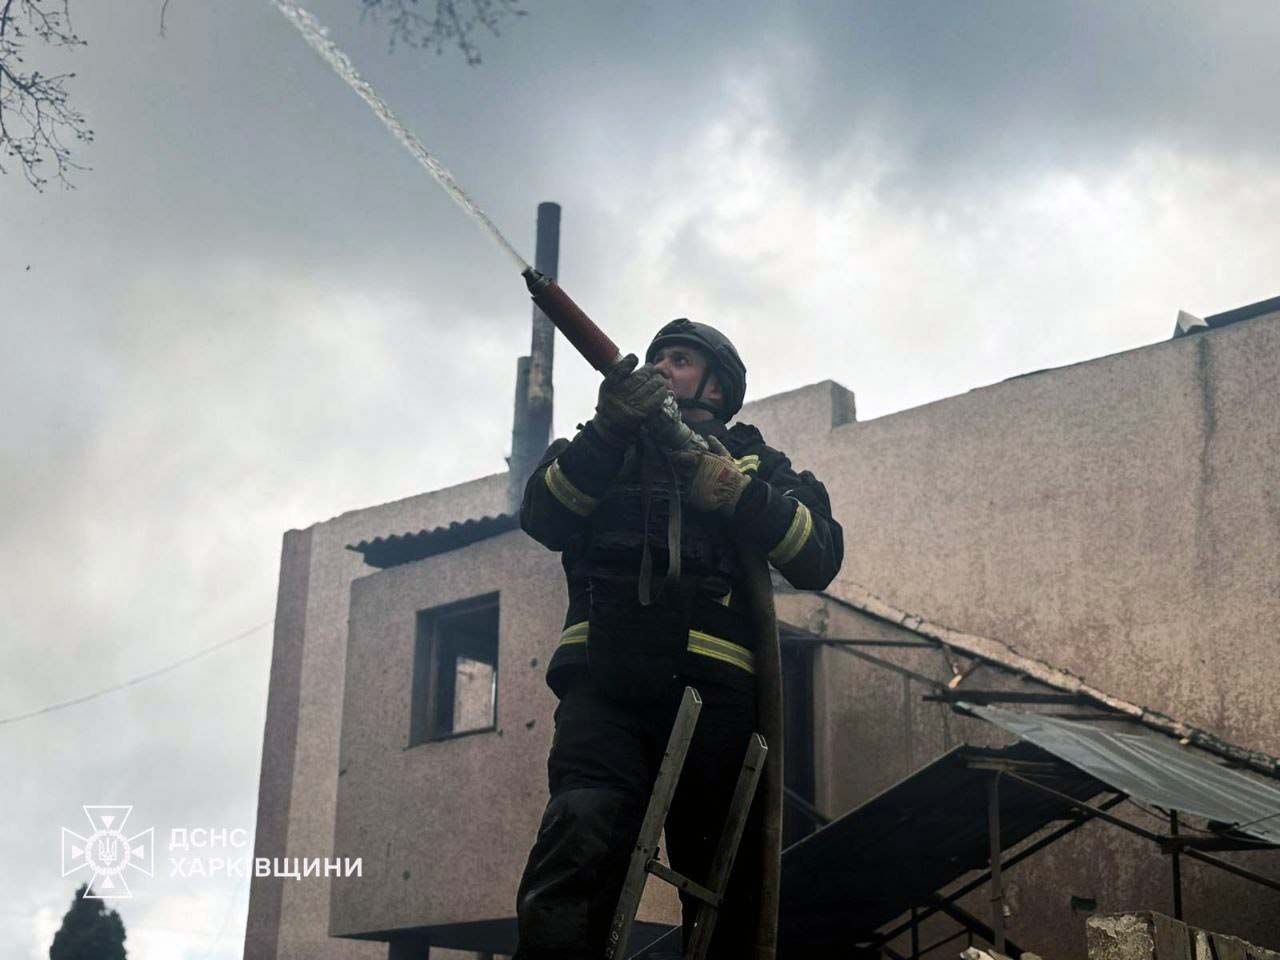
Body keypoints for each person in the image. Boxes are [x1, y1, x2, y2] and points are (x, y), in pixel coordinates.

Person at [513, 318, 843, 960]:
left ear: (717, 388)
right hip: (604, 688)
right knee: (580, 836)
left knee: (726, 872)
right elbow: (543, 517)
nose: (660, 367)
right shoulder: (599, 446)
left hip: (717, 698)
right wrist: (607, 430)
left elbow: (819, 555)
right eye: (657, 356)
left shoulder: (754, 461)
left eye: (680, 359)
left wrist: (740, 494)